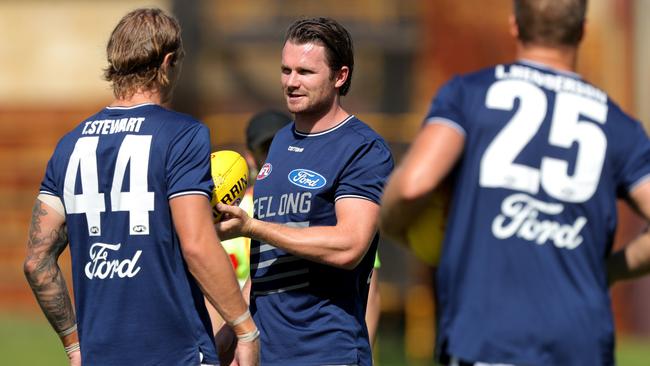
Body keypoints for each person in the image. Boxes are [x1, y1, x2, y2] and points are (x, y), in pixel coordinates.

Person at [380, 0, 650, 365]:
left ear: (515, 26)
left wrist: (393, 226)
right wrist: (610, 270)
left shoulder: (468, 93)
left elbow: (414, 184)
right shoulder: (619, 125)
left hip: (489, 339)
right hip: (581, 344)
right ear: (582, 31)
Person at [23, 8, 259, 366]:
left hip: (100, 354)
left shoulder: (69, 146)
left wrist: (74, 347)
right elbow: (197, 245)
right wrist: (244, 328)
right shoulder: (183, 135)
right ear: (167, 64)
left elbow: (36, 260)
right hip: (174, 353)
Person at [215, 17, 394, 365]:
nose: (291, 83)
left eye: (305, 72)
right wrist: (228, 338)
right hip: (266, 353)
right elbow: (266, 263)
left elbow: (351, 245)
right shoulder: (279, 142)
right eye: (286, 70)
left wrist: (250, 227)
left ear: (340, 76)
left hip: (326, 351)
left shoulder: (363, 148)